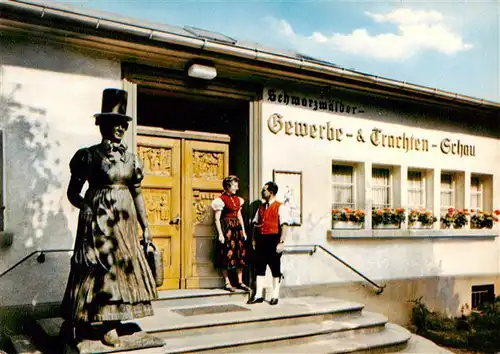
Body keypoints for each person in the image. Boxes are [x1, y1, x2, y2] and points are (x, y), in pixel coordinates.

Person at [61, 89, 158, 347]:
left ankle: (112, 322)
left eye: (124, 125)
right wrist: (87, 207)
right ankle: (84, 319)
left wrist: (145, 226)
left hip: (124, 223)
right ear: (103, 125)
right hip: (98, 221)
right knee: (96, 267)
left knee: (122, 267)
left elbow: (137, 194)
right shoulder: (89, 156)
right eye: (116, 124)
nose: (121, 129)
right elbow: (73, 193)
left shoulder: (131, 159)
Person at [248, 181, 290, 305]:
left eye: (264, 190)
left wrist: (281, 242)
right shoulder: (261, 207)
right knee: (260, 268)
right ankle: (258, 295)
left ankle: (275, 295)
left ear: (271, 192)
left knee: (275, 268)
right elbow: (255, 224)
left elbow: (285, 226)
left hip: (273, 240)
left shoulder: (280, 206)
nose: (262, 192)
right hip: (261, 240)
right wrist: (254, 240)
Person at [211, 175, 250, 292]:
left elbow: (239, 216)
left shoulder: (238, 200)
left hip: (237, 229)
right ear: (228, 186)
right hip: (227, 229)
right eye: (234, 185)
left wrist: (243, 231)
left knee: (239, 254)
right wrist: (220, 234)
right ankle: (227, 282)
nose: (237, 188)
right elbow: (217, 219)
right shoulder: (221, 200)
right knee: (226, 254)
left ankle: (240, 281)